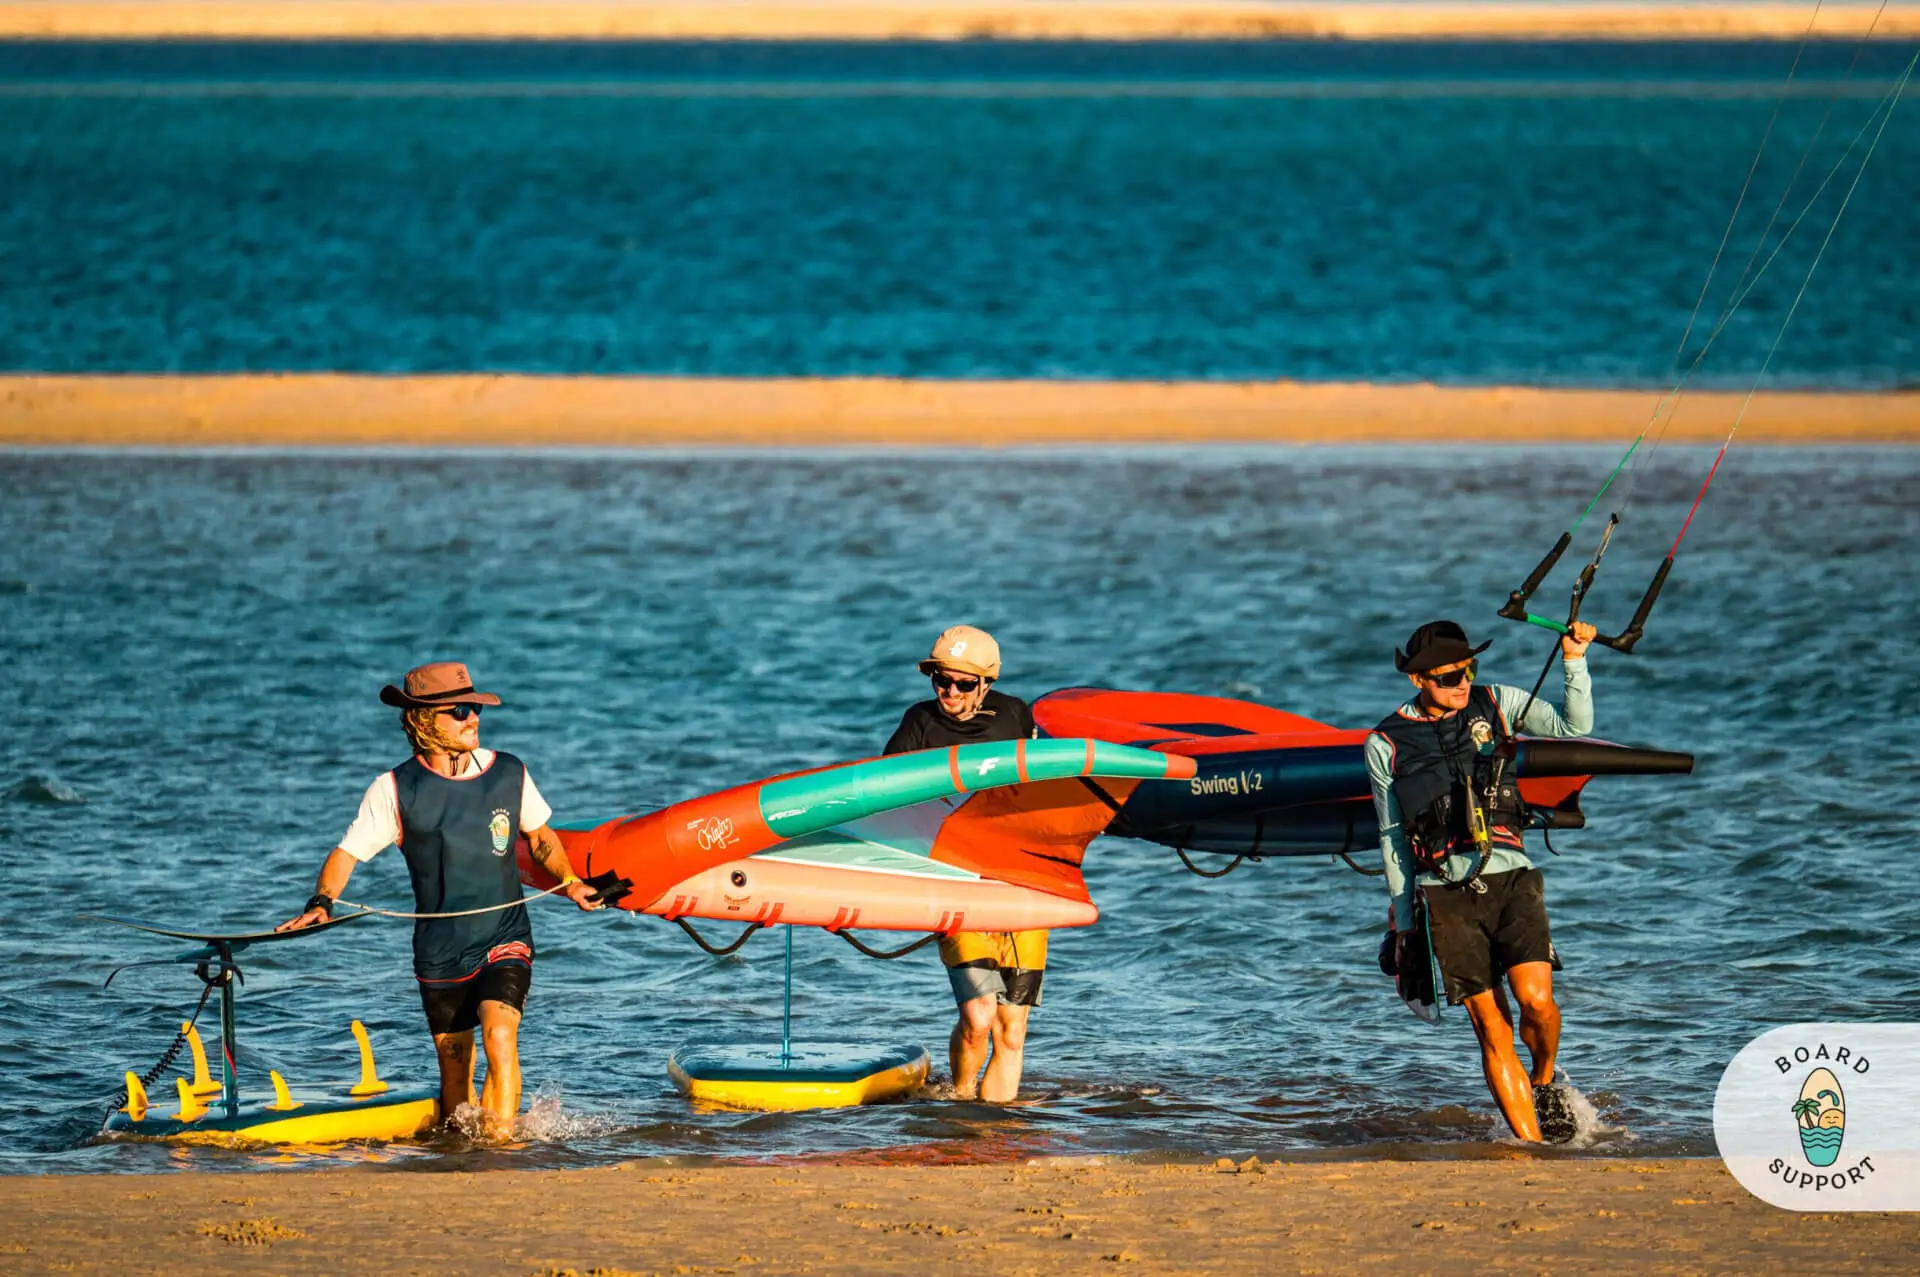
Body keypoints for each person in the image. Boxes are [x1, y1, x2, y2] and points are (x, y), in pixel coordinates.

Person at [278, 662, 600, 1136]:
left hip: (505, 936)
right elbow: (346, 855)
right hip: (440, 950)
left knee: (500, 1035)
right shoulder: (394, 790)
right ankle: (460, 1151)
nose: (474, 718)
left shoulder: (509, 772)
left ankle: (500, 1148)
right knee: (455, 1067)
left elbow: (542, 837)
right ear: (424, 721)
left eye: (475, 708)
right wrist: (321, 902)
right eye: (461, 711)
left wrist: (570, 881)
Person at [1366, 618, 1596, 1144]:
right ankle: (1532, 1149)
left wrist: (1574, 659)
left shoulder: (1499, 702)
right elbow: (1393, 837)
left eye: (1467, 669)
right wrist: (1404, 924)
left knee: (1536, 1002)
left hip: (1512, 880)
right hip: (1445, 896)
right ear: (1417, 680)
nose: (1462, 682)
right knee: (1491, 1026)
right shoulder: (1385, 743)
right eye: (1448, 677)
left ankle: (1543, 1083)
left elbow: (1572, 726)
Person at [883, 625, 1042, 1103]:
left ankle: (996, 1125)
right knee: (978, 1015)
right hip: (957, 881)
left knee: (1011, 1028)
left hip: (1021, 881)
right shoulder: (919, 723)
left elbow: (1047, 784)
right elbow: (883, 793)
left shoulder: (1015, 715)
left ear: (986, 683)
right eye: (941, 681)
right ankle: (961, 1100)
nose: (950, 692)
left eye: (964, 684)